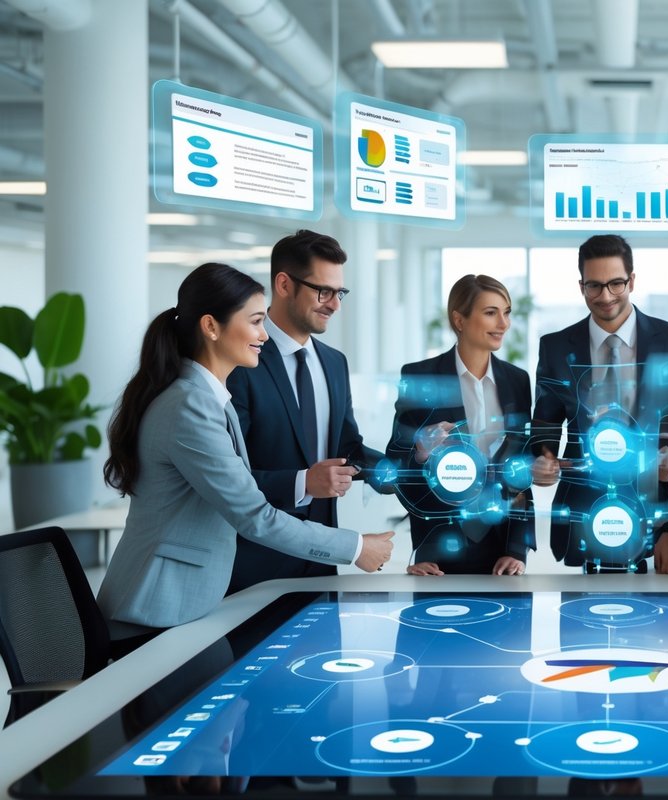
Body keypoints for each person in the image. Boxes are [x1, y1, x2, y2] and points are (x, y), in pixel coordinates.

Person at [97, 263, 394, 652]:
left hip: (183, 608)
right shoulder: (190, 406)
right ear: (211, 327)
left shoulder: (209, 399)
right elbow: (255, 516)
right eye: (255, 322)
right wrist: (356, 548)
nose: (264, 335)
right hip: (154, 613)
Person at [530, 234, 668, 574]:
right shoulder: (555, 347)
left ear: (632, 281)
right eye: (594, 286)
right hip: (582, 523)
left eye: (616, 284)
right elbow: (545, 428)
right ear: (581, 286)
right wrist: (543, 458)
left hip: (658, 525)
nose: (605, 296)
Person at [226, 230, 387, 594]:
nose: (334, 305)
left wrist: (411, 464)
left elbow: (348, 449)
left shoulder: (334, 363)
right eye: (323, 291)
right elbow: (226, 476)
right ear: (284, 284)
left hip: (322, 560)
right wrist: (302, 482)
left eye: (339, 293)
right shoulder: (239, 360)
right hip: (254, 564)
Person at [387, 274, 534, 575]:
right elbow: (396, 463)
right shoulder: (420, 377)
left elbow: (522, 468)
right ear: (459, 320)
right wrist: (420, 451)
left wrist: (517, 550)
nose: (504, 324)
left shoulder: (517, 381)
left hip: (503, 554)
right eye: (491, 313)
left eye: (506, 313)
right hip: (437, 554)